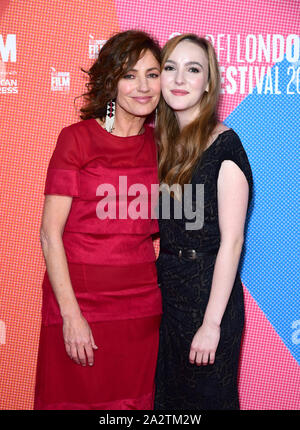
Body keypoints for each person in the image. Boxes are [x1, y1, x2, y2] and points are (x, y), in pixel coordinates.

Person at [34, 30, 162, 410]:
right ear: (111, 82)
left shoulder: (164, 147)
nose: (143, 86)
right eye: (130, 75)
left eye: (152, 74)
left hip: (139, 310)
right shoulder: (76, 139)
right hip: (77, 303)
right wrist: (71, 315)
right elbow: (49, 235)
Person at [154, 34, 253, 410]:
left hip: (208, 298)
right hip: (167, 296)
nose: (179, 79)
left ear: (208, 82)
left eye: (192, 69)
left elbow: (233, 242)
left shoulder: (225, 146)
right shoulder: (161, 145)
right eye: (170, 68)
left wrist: (211, 325)